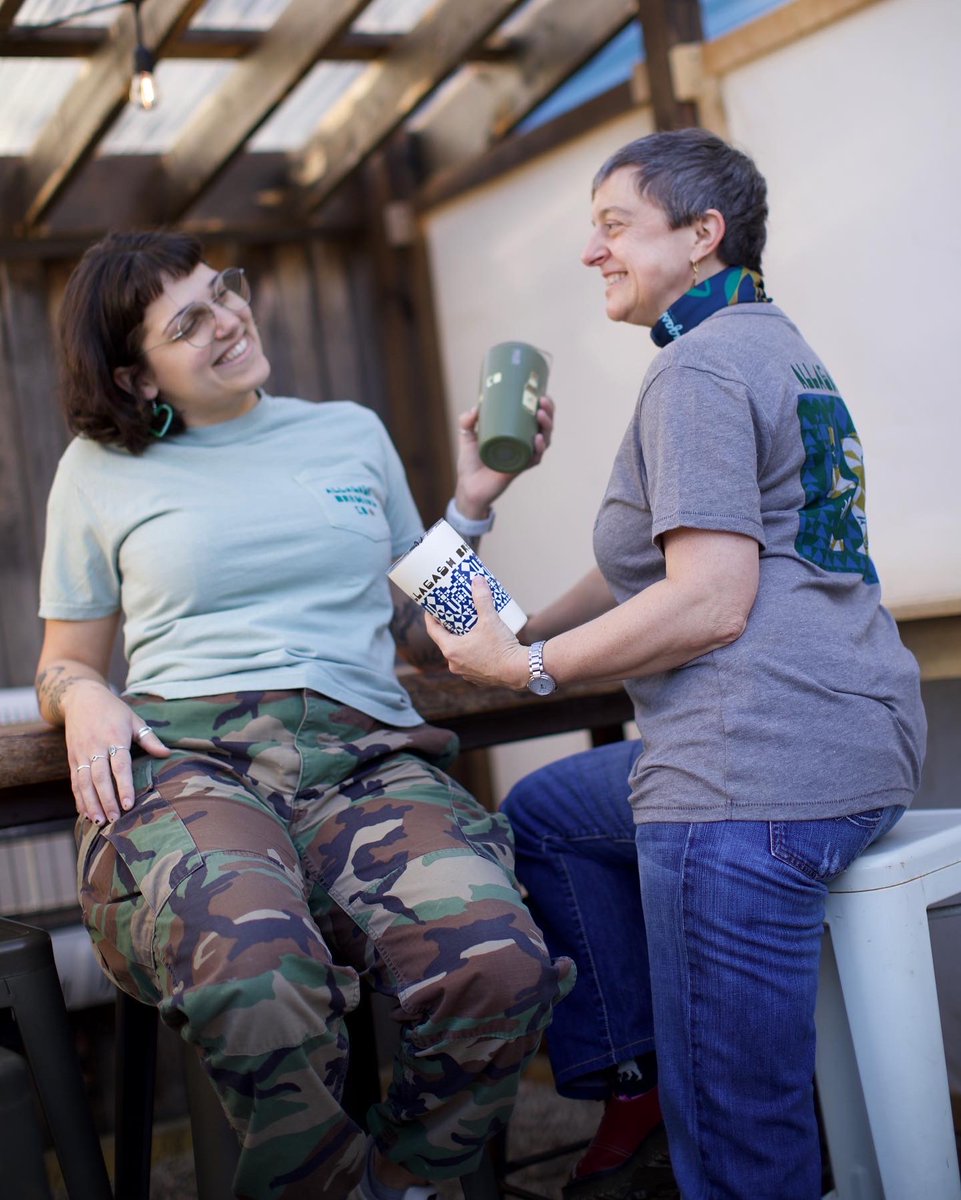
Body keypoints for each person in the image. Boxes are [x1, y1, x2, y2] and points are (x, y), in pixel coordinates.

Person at [427, 128, 926, 1200]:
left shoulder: (695, 370)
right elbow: (635, 576)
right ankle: (639, 1077)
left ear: (702, 235)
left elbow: (705, 602)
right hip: (857, 746)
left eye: (613, 225)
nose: (590, 251)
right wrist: (487, 527)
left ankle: (669, 1099)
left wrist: (530, 672)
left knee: (740, 1149)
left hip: (748, 782)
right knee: (552, 814)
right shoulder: (772, 344)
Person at [34, 230, 573, 1200]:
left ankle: (401, 1184)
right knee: (253, 974)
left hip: (362, 760)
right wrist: (86, 696)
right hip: (192, 764)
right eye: (188, 322)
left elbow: (430, 625)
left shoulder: (349, 433)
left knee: (498, 964)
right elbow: (63, 662)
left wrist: (477, 502)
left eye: (221, 293)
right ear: (134, 375)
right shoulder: (97, 470)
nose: (228, 320)